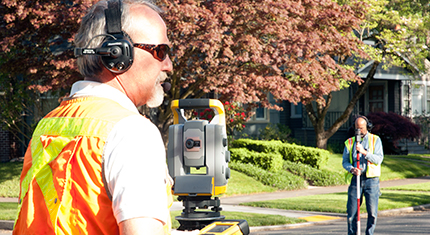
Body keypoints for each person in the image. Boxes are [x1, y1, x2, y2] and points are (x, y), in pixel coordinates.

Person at [13, 0, 196, 234]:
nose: (168, 65)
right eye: (160, 51)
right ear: (117, 54)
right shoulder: (131, 132)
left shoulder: (49, 124)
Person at [342, 116, 384, 235]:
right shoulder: (349, 142)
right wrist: (352, 169)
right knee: (352, 213)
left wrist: (364, 152)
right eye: (356, 128)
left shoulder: (375, 140)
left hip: (372, 181)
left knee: (372, 213)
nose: (359, 131)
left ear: (367, 127)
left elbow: (379, 159)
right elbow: (345, 161)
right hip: (356, 181)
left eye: (361, 128)